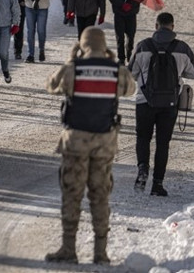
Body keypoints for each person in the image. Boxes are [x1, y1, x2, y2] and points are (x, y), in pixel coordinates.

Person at [45, 27, 135, 265]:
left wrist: (71, 59)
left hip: (76, 141)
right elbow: (131, 89)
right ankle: (100, 252)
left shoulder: (74, 69)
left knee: (72, 193)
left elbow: (52, 85)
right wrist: (113, 61)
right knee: (100, 194)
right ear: (103, 46)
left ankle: (68, 249)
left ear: (82, 45)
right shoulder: (117, 71)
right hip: (105, 142)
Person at [129, 12, 194, 197]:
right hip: (170, 103)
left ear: (156, 25)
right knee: (163, 143)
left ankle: (143, 168)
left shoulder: (143, 46)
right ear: (173, 27)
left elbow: (132, 73)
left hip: (144, 101)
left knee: (143, 137)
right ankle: (157, 184)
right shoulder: (182, 48)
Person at [107, 0, 140, 65]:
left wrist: (131, 5)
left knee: (131, 36)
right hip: (119, 13)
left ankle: (130, 55)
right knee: (120, 37)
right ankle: (121, 58)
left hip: (131, 13)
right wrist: (122, 4)